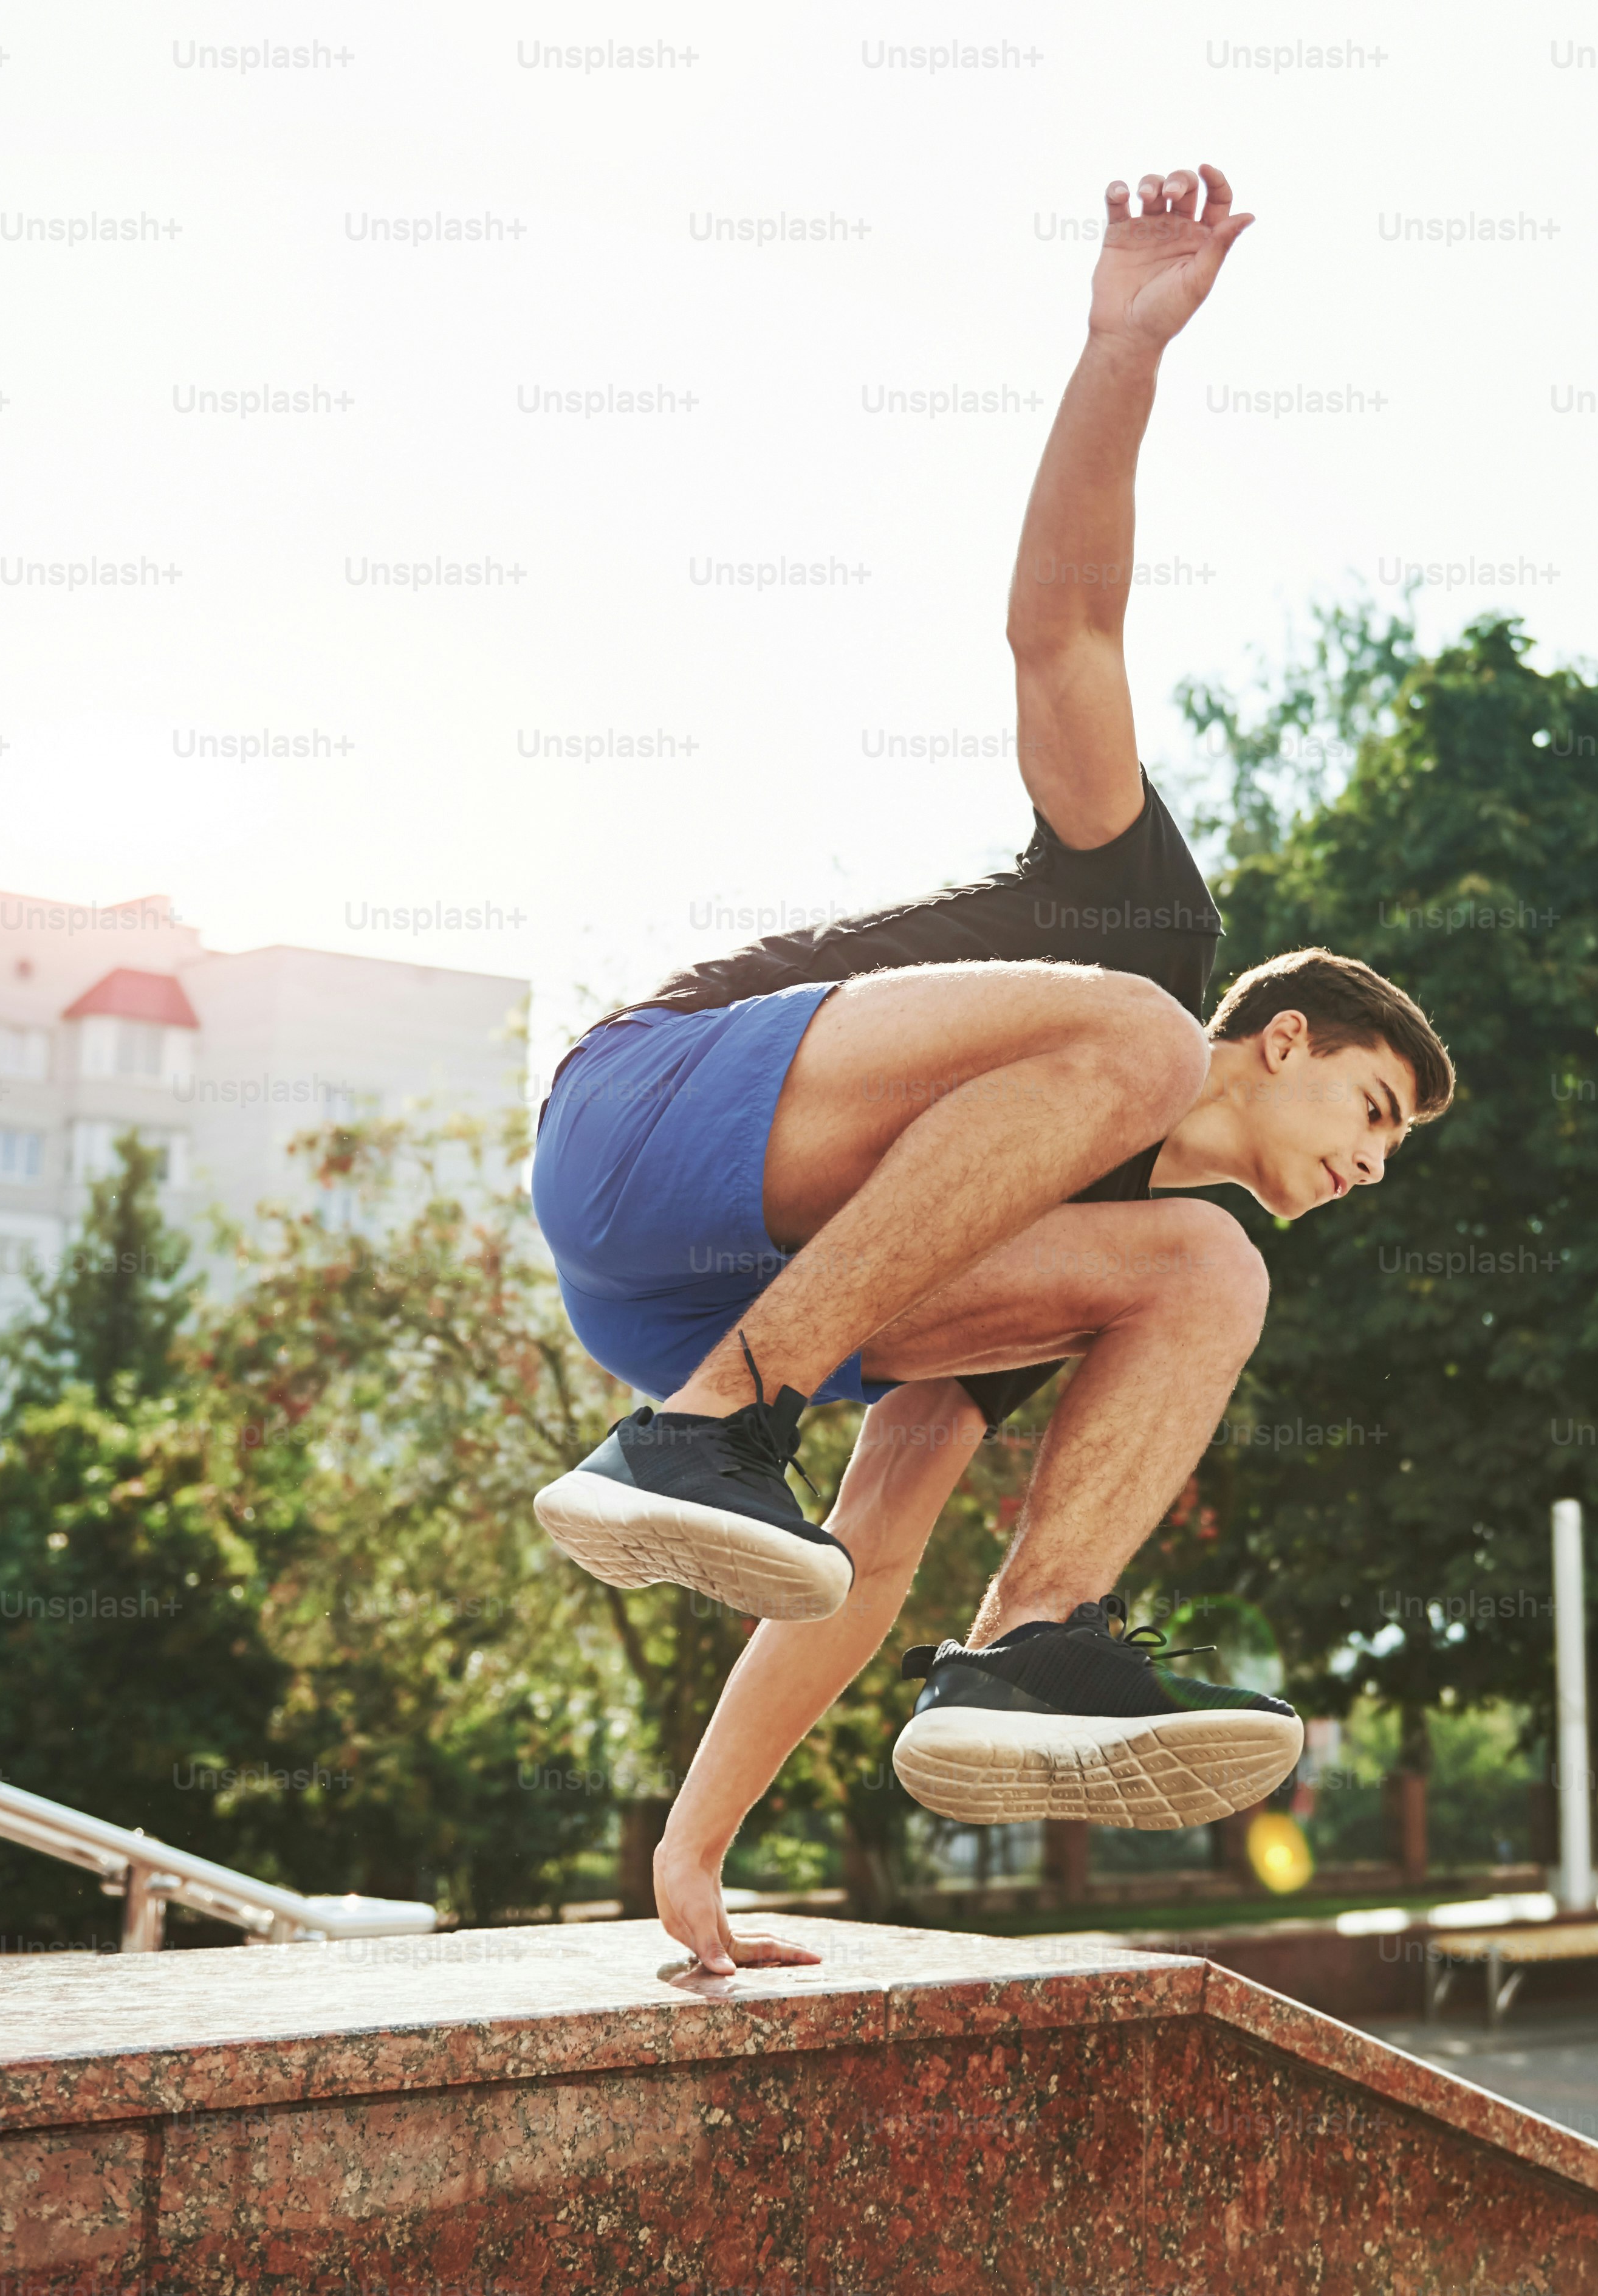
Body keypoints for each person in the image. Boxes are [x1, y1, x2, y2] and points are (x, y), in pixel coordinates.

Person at [528, 163, 1455, 1974]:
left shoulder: (1072, 1287)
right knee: (1121, 1040)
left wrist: (694, 1858)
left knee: (1201, 1268)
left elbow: (857, 1553)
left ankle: (1030, 1641)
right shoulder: (1142, 924)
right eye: (1368, 1108)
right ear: (1281, 1043)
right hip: (643, 1128)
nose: (1375, 1160)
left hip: (704, 1304)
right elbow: (1066, 633)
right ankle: (703, 1427)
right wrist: (1123, 348)